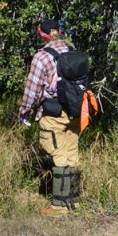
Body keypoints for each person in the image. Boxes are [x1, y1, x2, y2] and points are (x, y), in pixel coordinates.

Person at [18, 18, 81, 217]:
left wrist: (25, 112)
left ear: (42, 34)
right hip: (75, 111)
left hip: (54, 113)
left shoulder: (41, 57)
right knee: (72, 153)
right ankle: (73, 201)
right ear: (59, 31)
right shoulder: (71, 50)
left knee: (59, 155)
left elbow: (32, 90)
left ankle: (60, 207)